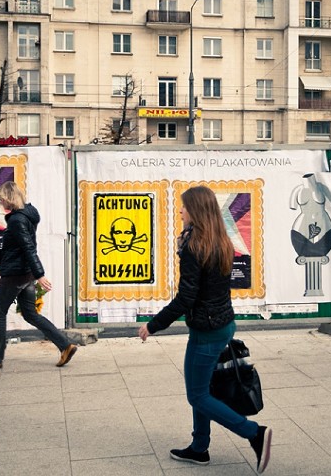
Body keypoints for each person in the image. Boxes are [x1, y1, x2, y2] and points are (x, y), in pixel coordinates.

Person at [138, 186, 272, 474]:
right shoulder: (219, 239)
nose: (181, 211)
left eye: (184, 207)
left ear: (196, 211)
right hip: (220, 323)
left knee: (197, 395)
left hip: (208, 331)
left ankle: (253, 432)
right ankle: (199, 449)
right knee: (202, 389)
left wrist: (153, 324)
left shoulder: (194, 246)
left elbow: (186, 298)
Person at [0, 181, 77, 370]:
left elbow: (28, 248)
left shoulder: (17, 220)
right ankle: (65, 345)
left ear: (8, 199)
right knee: (30, 313)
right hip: (25, 274)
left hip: (15, 274)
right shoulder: (26, 215)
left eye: (1, 198)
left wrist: (41, 275)